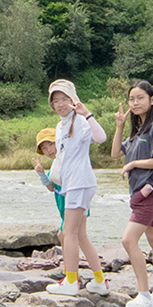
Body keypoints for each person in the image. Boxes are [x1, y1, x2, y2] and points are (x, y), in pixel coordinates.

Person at [44, 78, 108, 295]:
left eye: (64, 99)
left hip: (80, 183)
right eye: (55, 101)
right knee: (80, 235)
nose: (60, 104)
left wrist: (86, 113)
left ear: (73, 99)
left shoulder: (80, 121)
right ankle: (100, 281)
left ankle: (71, 281)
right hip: (73, 184)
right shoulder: (60, 126)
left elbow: (101, 137)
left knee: (68, 232)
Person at [113, 79, 153, 307]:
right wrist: (119, 126)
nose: (135, 103)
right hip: (141, 192)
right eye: (131, 99)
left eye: (140, 98)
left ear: (152, 100)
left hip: (150, 192)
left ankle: (144, 294)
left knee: (128, 240)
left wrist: (133, 164)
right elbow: (115, 153)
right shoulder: (138, 130)